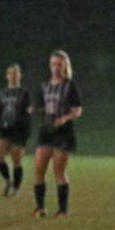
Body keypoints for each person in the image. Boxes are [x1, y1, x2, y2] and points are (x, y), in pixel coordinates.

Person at [30, 50, 83, 218]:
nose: (56, 67)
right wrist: (33, 109)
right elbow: (41, 107)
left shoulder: (70, 85)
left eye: (60, 64)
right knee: (39, 169)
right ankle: (40, 208)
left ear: (65, 66)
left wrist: (65, 118)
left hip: (63, 133)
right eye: (53, 64)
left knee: (59, 171)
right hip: (46, 131)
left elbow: (77, 110)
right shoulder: (45, 85)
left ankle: (62, 210)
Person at [0, 63, 31, 197]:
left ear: (20, 75)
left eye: (16, 73)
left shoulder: (24, 92)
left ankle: (16, 188)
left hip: (18, 129)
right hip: (4, 128)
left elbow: (27, 113)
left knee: (16, 159)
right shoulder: (2, 93)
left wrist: (26, 132)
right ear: (7, 76)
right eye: (10, 73)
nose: (13, 76)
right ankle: (8, 180)